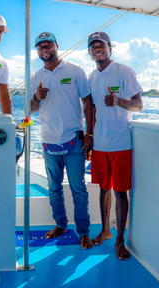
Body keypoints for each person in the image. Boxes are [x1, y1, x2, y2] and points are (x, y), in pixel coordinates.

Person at [30, 31, 94, 250]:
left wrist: (90, 134)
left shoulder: (75, 71)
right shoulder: (35, 77)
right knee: (53, 188)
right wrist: (36, 97)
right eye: (40, 47)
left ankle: (83, 231)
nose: (44, 49)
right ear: (37, 51)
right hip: (49, 142)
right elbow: (30, 108)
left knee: (78, 188)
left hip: (74, 141)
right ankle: (61, 224)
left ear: (56, 46)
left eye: (48, 45)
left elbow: (87, 102)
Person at [87, 31, 143, 260]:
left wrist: (119, 101)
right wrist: (88, 135)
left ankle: (120, 241)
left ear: (110, 48)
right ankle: (105, 231)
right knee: (103, 189)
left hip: (121, 143)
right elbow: (90, 109)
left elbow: (138, 105)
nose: (97, 48)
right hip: (100, 143)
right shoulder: (91, 77)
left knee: (120, 192)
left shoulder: (124, 71)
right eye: (93, 46)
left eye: (102, 44)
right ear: (89, 52)